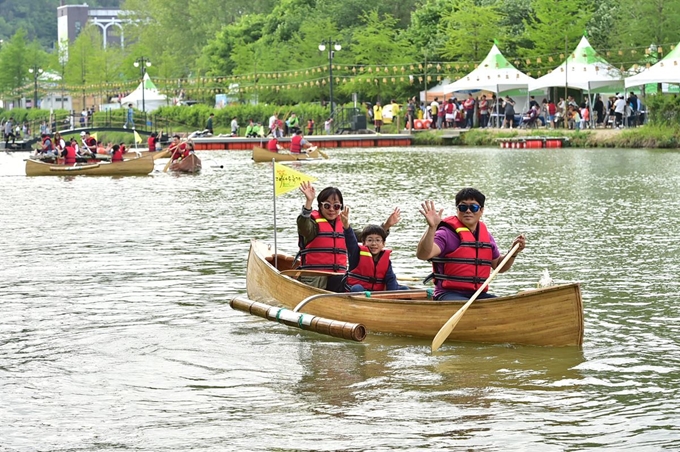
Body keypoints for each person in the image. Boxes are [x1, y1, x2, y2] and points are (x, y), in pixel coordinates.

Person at [416, 188, 526, 300]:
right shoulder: (445, 233)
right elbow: (423, 255)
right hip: (449, 294)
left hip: (478, 294)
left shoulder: (486, 236)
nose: (468, 211)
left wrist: (513, 252)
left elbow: (498, 266)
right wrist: (432, 228)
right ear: (457, 209)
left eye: (473, 207)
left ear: (481, 210)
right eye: (463, 207)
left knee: (503, 307)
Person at [296, 182, 349, 292]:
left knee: (351, 283)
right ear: (320, 206)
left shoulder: (344, 226)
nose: (331, 209)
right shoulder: (313, 224)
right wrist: (309, 202)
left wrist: (386, 226)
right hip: (314, 281)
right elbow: (304, 227)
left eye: (336, 206)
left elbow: (366, 237)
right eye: (327, 205)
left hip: (338, 278)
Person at [344, 223, 409, 292]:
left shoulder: (386, 262)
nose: (374, 244)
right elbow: (350, 241)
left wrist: (393, 294)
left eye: (378, 240)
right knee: (357, 288)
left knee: (405, 289)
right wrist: (347, 227)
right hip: (359, 291)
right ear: (363, 242)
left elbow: (391, 279)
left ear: (383, 244)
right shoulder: (356, 254)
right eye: (370, 240)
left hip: (377, 293)